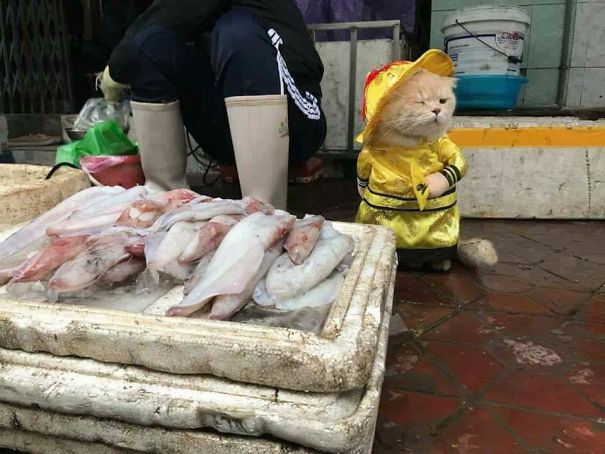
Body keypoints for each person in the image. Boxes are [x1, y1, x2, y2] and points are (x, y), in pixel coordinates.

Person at [97, 0, 326, 197]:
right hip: (231, 136)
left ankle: (264, 217)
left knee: (237, 31)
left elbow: (168, 13)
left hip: (297, 124)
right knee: (151, 45)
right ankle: (164, 199)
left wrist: (115, 70)